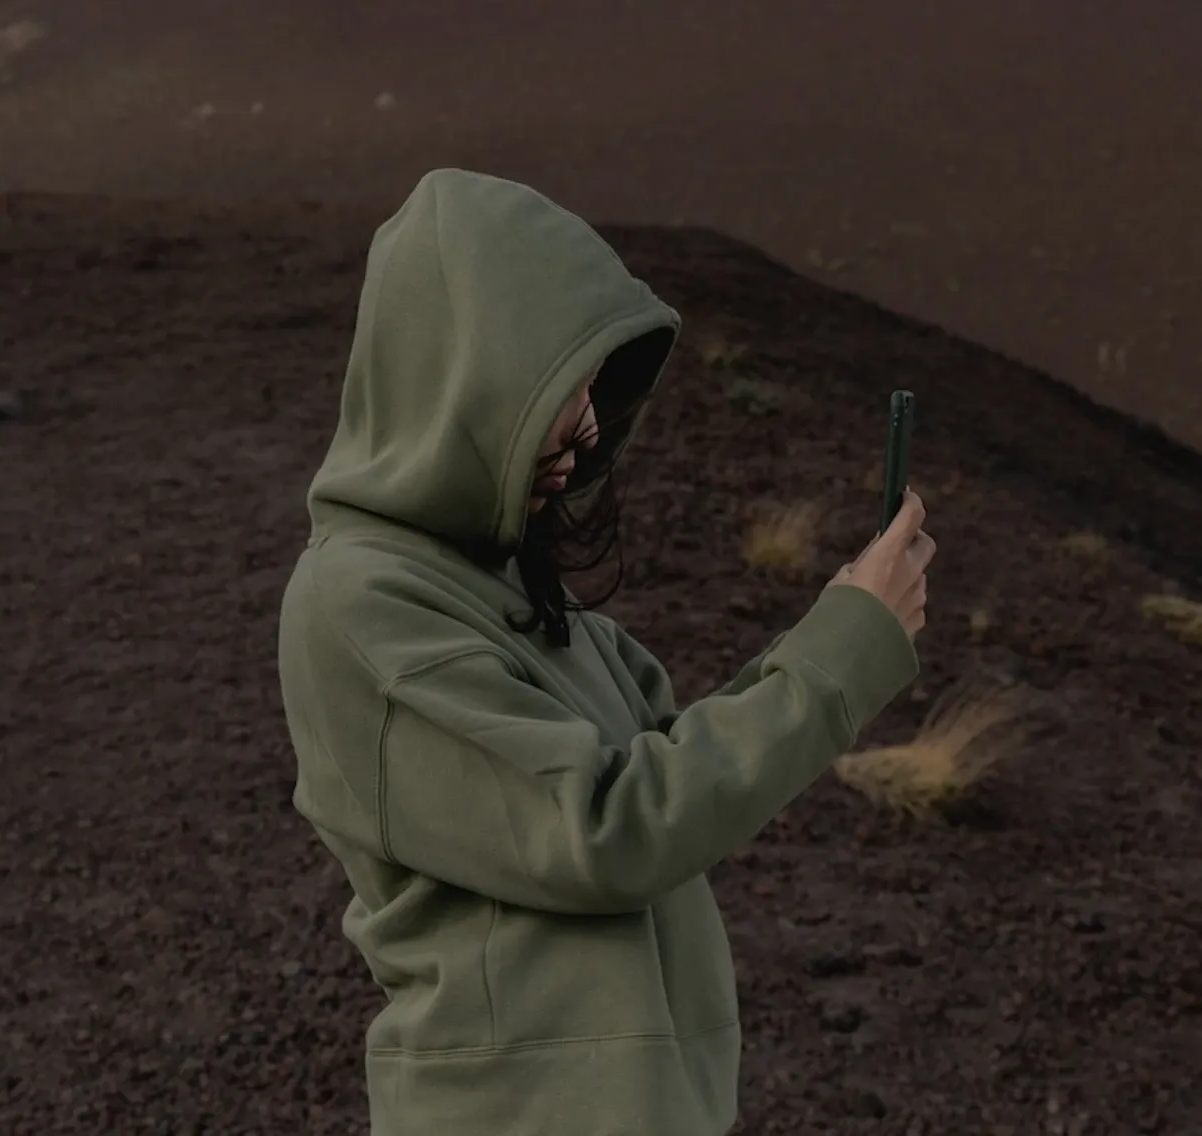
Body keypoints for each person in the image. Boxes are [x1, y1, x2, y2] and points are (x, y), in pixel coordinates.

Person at [276, 168, 933, 1136]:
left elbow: (670, 772)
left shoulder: (506, 591)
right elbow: (609, 828)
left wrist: (843, 620)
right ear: (465, 370)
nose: (588, 426)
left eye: (593, 386)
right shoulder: (358, 604)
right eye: (561, 382)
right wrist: (841, 653)